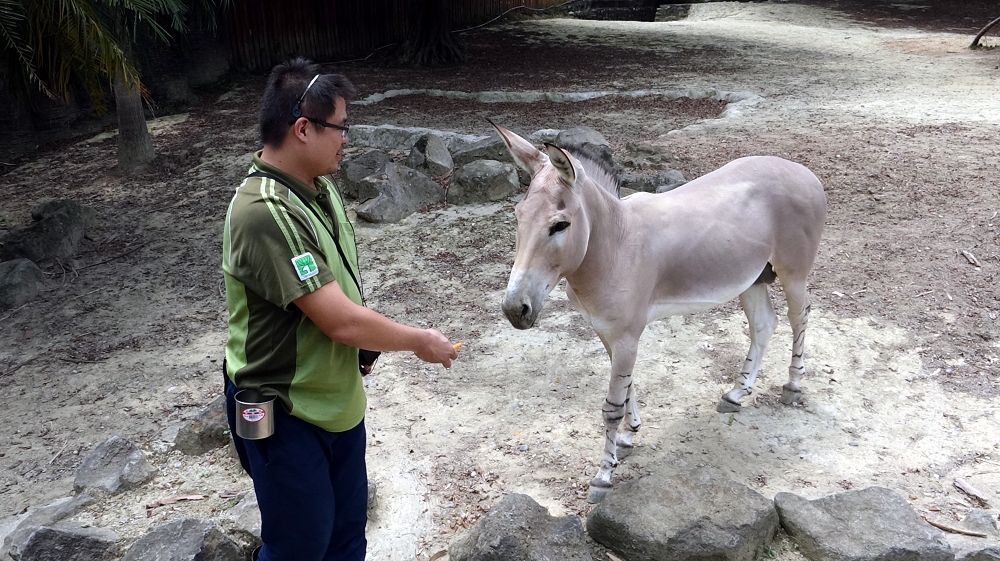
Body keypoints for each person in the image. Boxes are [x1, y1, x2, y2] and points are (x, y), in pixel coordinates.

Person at [221, 57, 457, 561]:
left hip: (336, 398)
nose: (347, 137)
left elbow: (340, 284)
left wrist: (368, 345)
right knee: (299, 545)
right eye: (341, 127)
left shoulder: (320, 188)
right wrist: (417, 340)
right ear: (303, 129)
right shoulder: (263, 212)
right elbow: (337, 318)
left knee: (347, 534)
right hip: (282, 406)